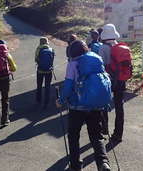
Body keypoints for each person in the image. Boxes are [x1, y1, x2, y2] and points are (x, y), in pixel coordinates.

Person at [56, 40, 111, 171]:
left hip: (77, 107)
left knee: (73, 136)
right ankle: (103, 162)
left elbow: (68, 86)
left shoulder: (73, 64)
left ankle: (75, 165)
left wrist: (61, 100)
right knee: (96, 135)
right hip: (95, 105)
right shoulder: (96, 59)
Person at [99, 23, 132, 143]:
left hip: (107, 79)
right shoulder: (119, 45)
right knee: (119, 106)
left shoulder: (103, 48)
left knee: (103, 104)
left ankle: (104, 129)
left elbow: (100, 64)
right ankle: (118, 134)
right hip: (120, 80)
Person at [35, 37, 55, 108]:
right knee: (47, 86)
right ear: (47, 42)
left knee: (39, 86)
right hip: (49, 71)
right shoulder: (51, 49)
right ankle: (46, 102)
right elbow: (52, 60)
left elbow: (36, 59)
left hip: (40, 70)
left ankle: (38, 100)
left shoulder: (38, 48)